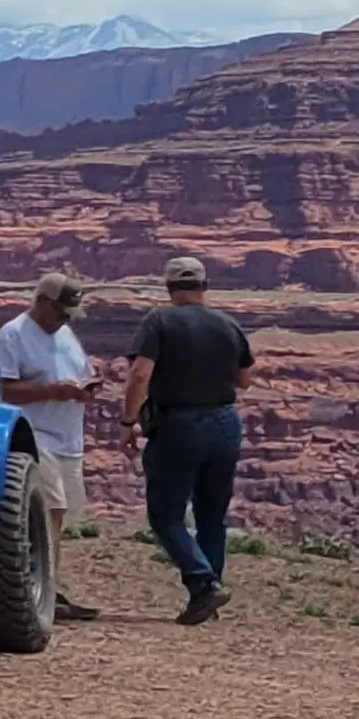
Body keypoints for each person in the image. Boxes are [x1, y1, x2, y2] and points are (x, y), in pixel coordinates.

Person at [121, 254, 255, 624]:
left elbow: (139, 375)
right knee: (213, 514)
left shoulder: (158, 321)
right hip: (225, 423)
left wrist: (128, 420)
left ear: (168, 288)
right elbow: (244, 380)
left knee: (166, 515)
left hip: (177, 424)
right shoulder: (228, 324)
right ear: (204, 287)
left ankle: (203, 586)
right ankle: (209, 595)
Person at [0, 272, 101, 621]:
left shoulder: (64, 333)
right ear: (43, 302)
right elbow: (3, 389)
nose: (66, 320)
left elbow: (80, 370)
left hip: (68, 438)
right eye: (62, 312)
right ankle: (40, 590)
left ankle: (49, 584)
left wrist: (83, 389)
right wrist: (53, 391)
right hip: (35, 435)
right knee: (51, 508)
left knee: (62, 513)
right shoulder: (13, 335)